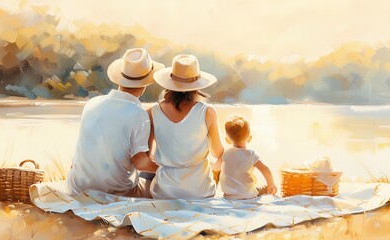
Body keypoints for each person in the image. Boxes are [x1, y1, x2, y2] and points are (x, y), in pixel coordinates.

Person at [67, 48, 164, 198]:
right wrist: (167, 169)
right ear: (145, 84)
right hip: (115, 192)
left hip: (77, 188)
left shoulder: (92, 103)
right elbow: (141, 163)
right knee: (151, 176)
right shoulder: (139, 114)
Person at [148, 54, 224, 199]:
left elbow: (148, 156)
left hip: (165, 191)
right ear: (197, 86)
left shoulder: (152, 112)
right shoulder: (207, 111)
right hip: (200, 191)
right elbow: (218, 153)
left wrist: (170, 162)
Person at [217, 116, 277, 199]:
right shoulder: (251, 155)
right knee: (264, 188)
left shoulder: (225, 154)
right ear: (250, 138)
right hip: (248, 195)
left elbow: (217, 168)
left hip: (229, 196)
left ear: (227, 140)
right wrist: (271, 184)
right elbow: (265, 169)